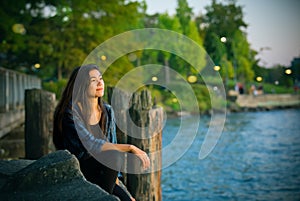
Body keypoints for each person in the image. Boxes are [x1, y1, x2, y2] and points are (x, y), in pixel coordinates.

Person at [52, 64, 150, 201]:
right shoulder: (70, 113)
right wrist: (130, 147)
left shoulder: (107, 111)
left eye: (101, 78)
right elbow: (90, 144)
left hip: (103, 174)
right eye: (93, 80)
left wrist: (125, 193)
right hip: (78, 170)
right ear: (81, 85)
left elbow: (112, 147)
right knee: (115, 154)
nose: (100, 83)